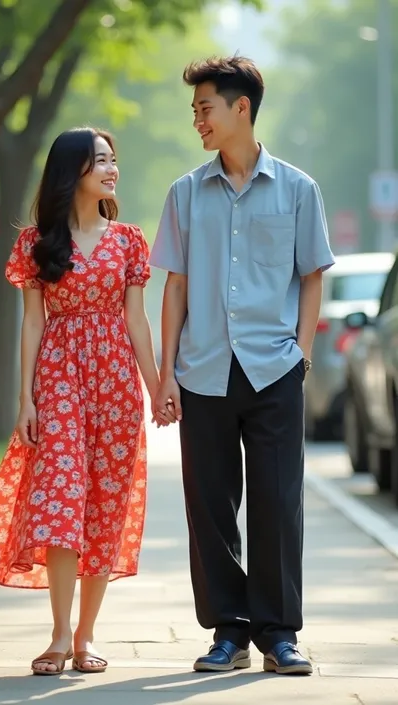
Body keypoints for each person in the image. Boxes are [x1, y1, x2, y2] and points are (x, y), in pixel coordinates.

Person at [150, 56, 335, 676]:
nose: (197, 119)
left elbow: (312, 277)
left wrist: (302, 353)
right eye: (195, 110)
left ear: (241, 109)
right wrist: (165, 372)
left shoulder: (298, 188)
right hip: (203, 369)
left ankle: (279, 634)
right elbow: (174, 286)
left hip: (274, 368)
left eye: (205, 107)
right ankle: (227, 631)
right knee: (209, 504)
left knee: (279, 502)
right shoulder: (184, 192)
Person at [0, 126, 170, 676]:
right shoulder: (36, 243)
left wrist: (156, 389)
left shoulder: (128, 240)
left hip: (117, 381)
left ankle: (86, 637)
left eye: (113, 159)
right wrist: (26, 398)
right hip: (58, 374)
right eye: (99, 160)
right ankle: (57, 634)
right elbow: (32, 323)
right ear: (71, 170)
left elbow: (136, 320)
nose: (111, 169)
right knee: (60, 498)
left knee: (104, 505)